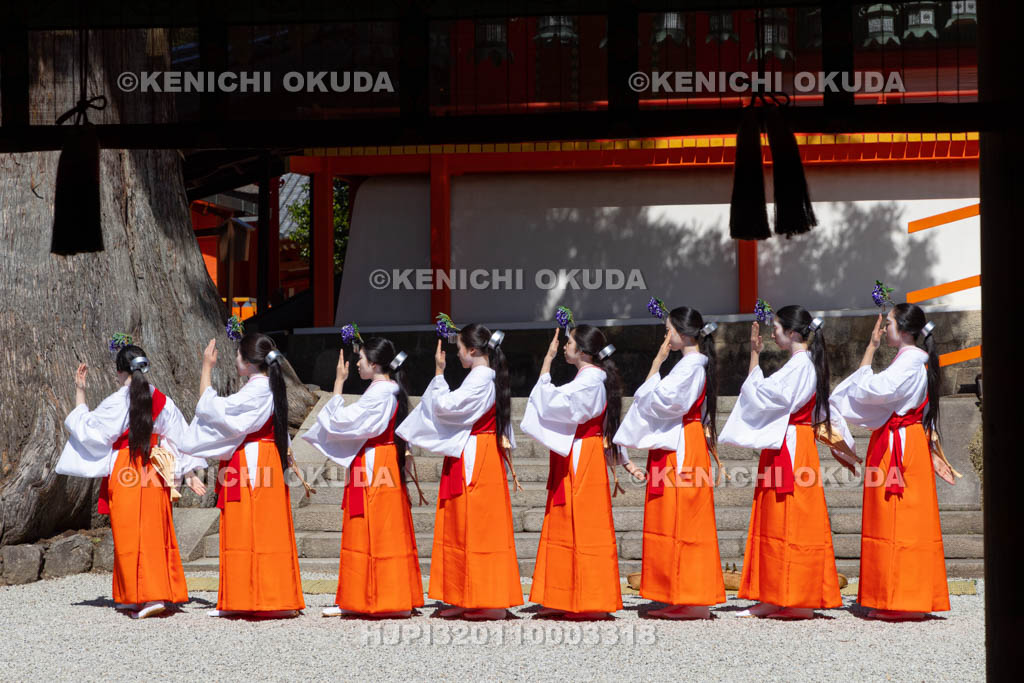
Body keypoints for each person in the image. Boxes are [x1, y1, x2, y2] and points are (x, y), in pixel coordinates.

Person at [719, 306, 852, 619]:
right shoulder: (803, 364)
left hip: (790, 446)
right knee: (777, 519)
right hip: (788, 442)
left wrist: (754, 356)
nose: (772, 333)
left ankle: (795, 596)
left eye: (776, 327)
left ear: (792, 332)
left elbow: (763, 394)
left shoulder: (801, 365)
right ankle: (777, 594)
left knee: (789, 519)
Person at [56, 341, 203, 619]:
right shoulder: (162, 400)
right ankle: (136, 594)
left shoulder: (116, 401)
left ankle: (147, 595)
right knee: (153, 531)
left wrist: (80, 392)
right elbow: (180, 438)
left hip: (126, 466)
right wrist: (191, 471)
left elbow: (88, 432)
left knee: (128, 533)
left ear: (121, 373)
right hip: (155, 467)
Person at [830, 304, 952, 621]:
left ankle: (901, 599)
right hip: (902, 439)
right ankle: (894, 596)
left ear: (905, 328)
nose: (885, 329)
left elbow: (879, 389)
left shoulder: (911, 359)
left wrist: (867, 360)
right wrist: (870, 352)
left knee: (897, 520)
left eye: (889, 323)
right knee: (895, 520)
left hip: (900, 444)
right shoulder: (912, 359)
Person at [396, 324, 522, 620]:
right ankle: (467, 595)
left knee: (475, 527)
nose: (457, 354)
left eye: (460, 349)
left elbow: (447, 406)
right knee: (466, 525)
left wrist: (439, 374)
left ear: (473, 350)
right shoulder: (482, 378)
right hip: (474, 452)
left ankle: (487, 600)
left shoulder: (479, 379)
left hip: (475, 456)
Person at [522, 324, 642, 619]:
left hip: (582, 455)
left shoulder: (589, 381)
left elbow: (555, 403)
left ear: (584, 350)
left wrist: (546, 365)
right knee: (567, 524)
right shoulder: (588, 379)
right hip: (578, 452)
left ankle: (587, 598)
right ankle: (565, 596)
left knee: (583, 526)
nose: (564, 346)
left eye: (569, 342)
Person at [181, 333, 304, 618]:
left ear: (248, 362)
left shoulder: (258, 389)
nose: (236, 359)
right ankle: (274, 596)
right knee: (267, 527)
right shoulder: (268, 386)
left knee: (246, 526)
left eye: (238, 355)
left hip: (252, 462)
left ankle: (251, 598)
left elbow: (214, 409)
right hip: (266, 458)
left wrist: (206, 368)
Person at [614, 307, 726, 619]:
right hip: (677, 441)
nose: (666, 335)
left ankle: (691, 596)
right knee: (673, 517)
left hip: (681, 446)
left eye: (669, 330)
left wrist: (655, 368)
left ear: (682, 332)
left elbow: (662, 400)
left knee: (682, 518)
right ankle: (678, 592)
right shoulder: (688, 366)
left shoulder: (689, 367)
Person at [301, 336, 423, 617]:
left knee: (371, 526)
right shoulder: (389, 389)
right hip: (381, 459)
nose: (357, 363)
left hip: (374, 463)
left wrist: (338, 384)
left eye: (362, 359)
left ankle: (375, 597)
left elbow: (343, 420)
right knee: (384, 527)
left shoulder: (380, 392)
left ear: (375, 363)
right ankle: (384, 596)